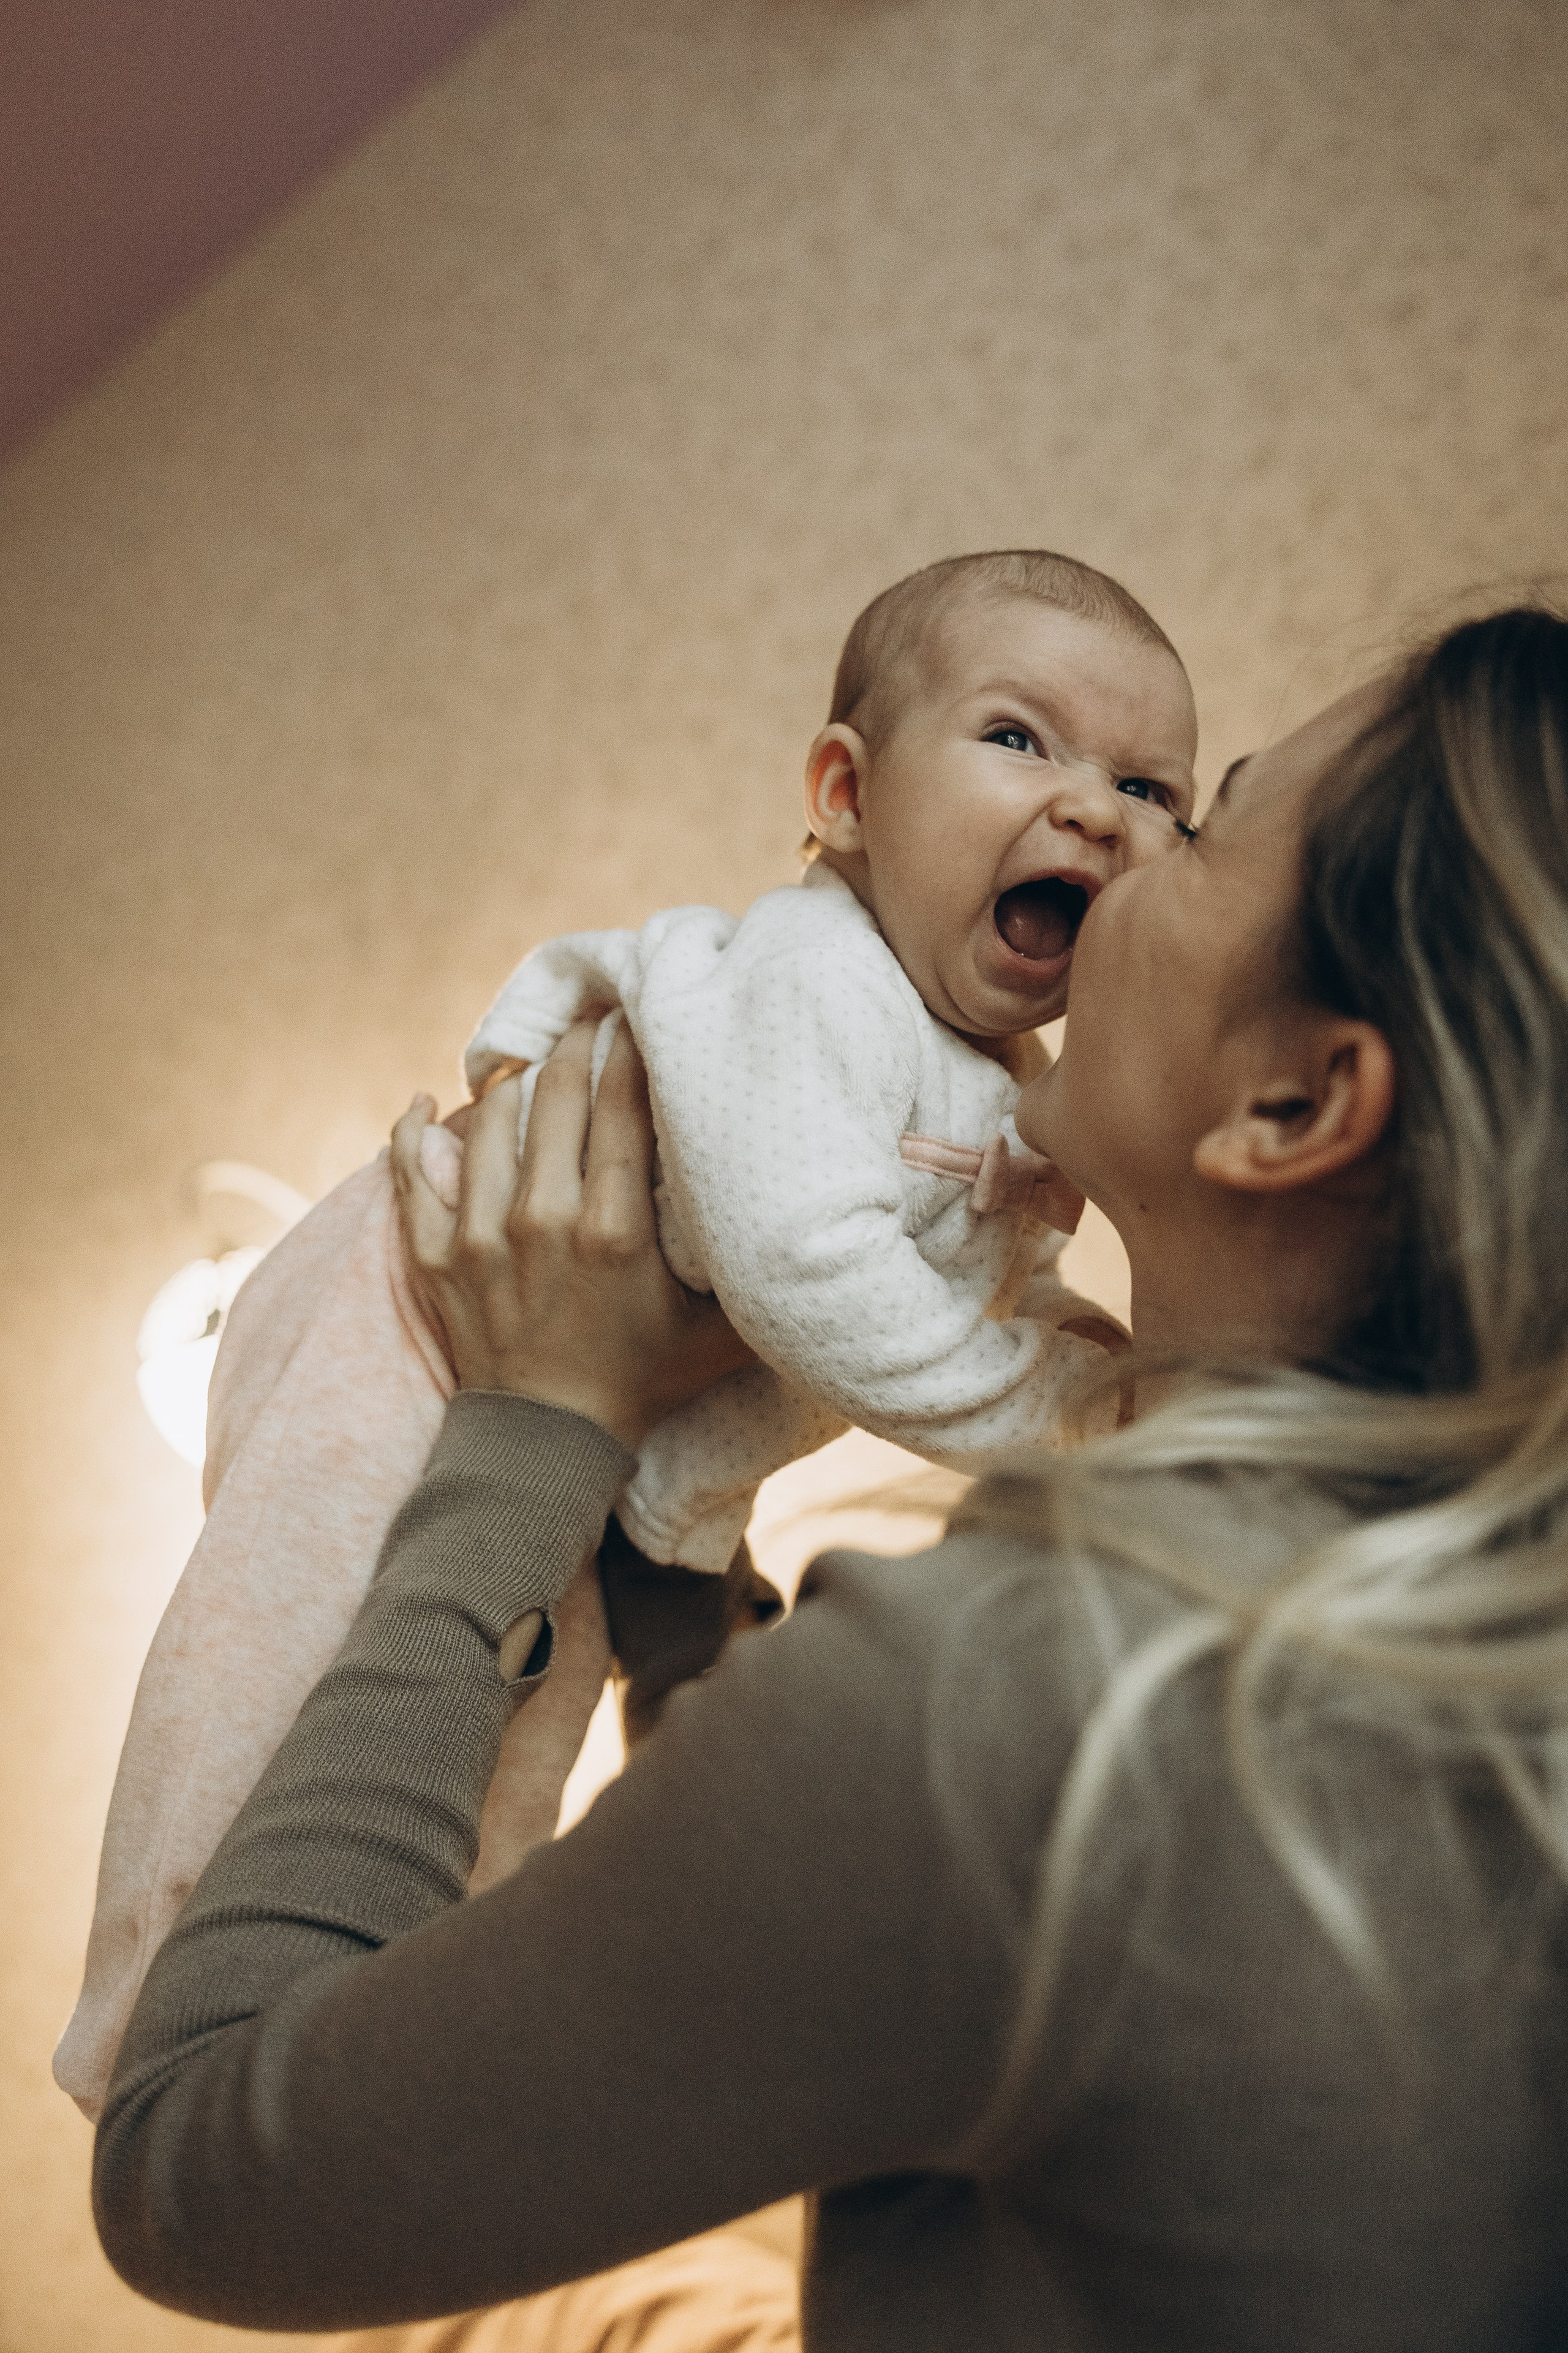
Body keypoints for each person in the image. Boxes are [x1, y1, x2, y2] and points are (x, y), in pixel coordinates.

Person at [95, 605, 1568, 2349]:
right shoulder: (1469, 1694)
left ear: (1294, 1104)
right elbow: (831, 1976)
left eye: (1212, 809)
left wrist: (535, 1423)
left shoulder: (1051, 1702)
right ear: (846, 793)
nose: (1131, 834)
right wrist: (671, 1575)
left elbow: (197, 2168)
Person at [57, 548, 1194, 2118]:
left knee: (511, 1742)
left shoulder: (996, 1078)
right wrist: (1060, 1411)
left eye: (1151, 783)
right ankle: (162, 2022)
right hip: (402, 1311)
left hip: (572, 1404)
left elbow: (971, 1298)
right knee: (280, 1658)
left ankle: (362, 2055)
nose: (1092, 805)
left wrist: (1112, 1379)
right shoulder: (825, 981)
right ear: (845, 795)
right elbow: (797, 1267)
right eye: (1018, 737)